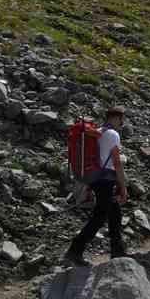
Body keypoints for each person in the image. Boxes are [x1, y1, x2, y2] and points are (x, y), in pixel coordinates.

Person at [64, 107, 129, 266]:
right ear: (115, 118)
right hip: (105, 179)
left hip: (94, 177)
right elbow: (116, 162)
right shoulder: (112, 134)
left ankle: (117, 250)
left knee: (114, 211)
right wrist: (123, 186)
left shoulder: (97, 132)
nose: (123, 122)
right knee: (100, 216)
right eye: (122, 119)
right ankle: (74, 251)